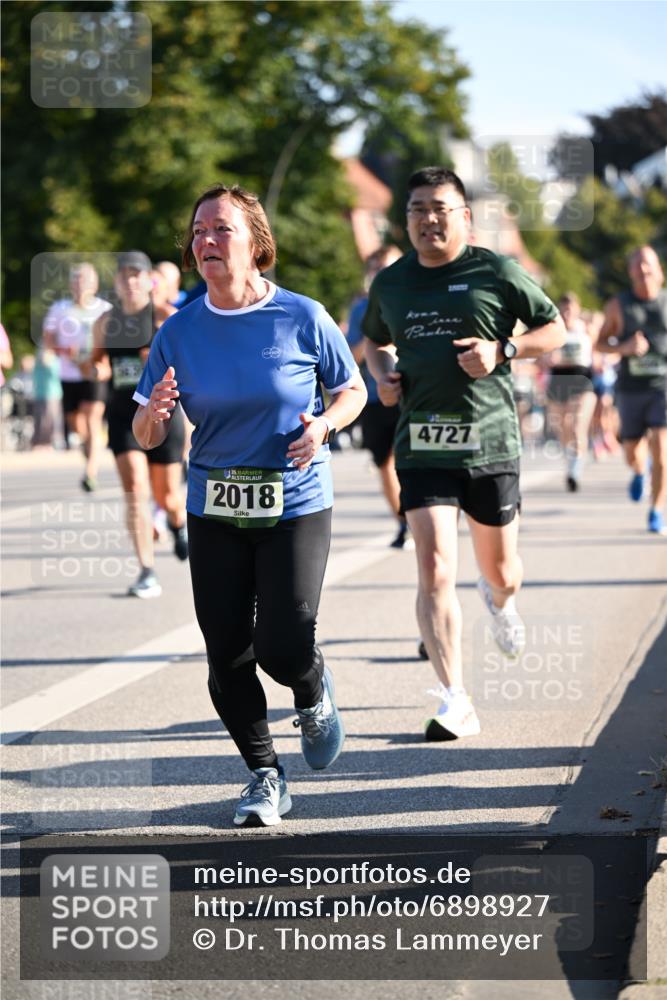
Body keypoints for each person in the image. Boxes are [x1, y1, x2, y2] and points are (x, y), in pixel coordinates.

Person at [132, 183, 366, 827]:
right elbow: (146, 431)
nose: (207, 240)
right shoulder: (179, 331)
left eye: (222, 229)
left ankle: (312, 690)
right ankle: (265, 775)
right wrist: (153, 417)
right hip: (215, 504)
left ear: (256, 244)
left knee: (283, 646)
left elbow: (353, 389)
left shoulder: (301, 315)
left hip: (294, 498)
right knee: (226, 651)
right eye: (198, 230)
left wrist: (323, 425)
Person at [364, 166, 565, 741]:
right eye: (418, 209)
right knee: (432, 568)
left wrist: (503, 349)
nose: (428, 219)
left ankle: (499, 602)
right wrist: (382, 376)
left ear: (464, 217)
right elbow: (375, 342)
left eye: (440, 208)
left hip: (491, 440)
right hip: (422, 441)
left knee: (501, 571)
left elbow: (552, 328)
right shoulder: (393, 282)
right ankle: (455, 697)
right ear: (406, 220)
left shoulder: (496, 270)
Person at [89, 251, 189, 598]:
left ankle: (177, 524)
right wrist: (97, 370)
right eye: (124, 276)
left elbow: (190, 363)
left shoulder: (166, 317)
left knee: (169, 497)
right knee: (135, 491)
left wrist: (158, 362)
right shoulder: (104, 322)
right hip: (122, 416)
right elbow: (97, 361)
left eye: (137, 275)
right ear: (116, 283)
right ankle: (146, 569)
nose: (130, 282)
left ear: (149, 281)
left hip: (162, 415)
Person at [346, 245, 413, 548]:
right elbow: (351, 357)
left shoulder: (415, 299)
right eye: (375, 268)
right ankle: (402, 521)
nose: (380, 274)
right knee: (384, 463)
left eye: (386, 267)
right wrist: (372, 337)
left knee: (410, 461)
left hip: (411, 395)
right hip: (374, 398)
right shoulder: (361, 309)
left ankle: (421, 515)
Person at [597, 246, 667, 534]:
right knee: (631, 452)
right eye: (637, 265)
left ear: (658, 269)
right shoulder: (619, 305)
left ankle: (656, 511)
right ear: (630, 272)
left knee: (662, 452)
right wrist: (624, 348)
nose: (643, 270)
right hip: (630, 389)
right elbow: (599, 343)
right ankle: (639, 472)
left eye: (648, 264)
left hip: (662, 387)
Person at [42, 263, 111, 490]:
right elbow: (48, 339)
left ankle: (90, 472)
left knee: (92, 420)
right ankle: (88, 449)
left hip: (94, 373)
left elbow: (115, 344)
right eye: (76, 280)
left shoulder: (105, 309)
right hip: (69, 374)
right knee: (77, 426)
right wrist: (64, 352)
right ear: (71, 284)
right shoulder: (59, 309)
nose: (80, 285)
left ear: (94, 284)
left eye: (85, 280)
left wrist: (104, 362)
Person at [544, 293, 597, 492]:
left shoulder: (587, 329)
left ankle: (575, 471)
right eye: (563, 309)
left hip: (581, 380)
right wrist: (549, 358)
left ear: (577, 309)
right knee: (563, 429)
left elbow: (598, 349)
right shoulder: (552, 330)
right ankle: (572, 460)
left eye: (570, 309)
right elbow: (542, 357)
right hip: (558, 381)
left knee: (576, 426)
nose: (567, 313)